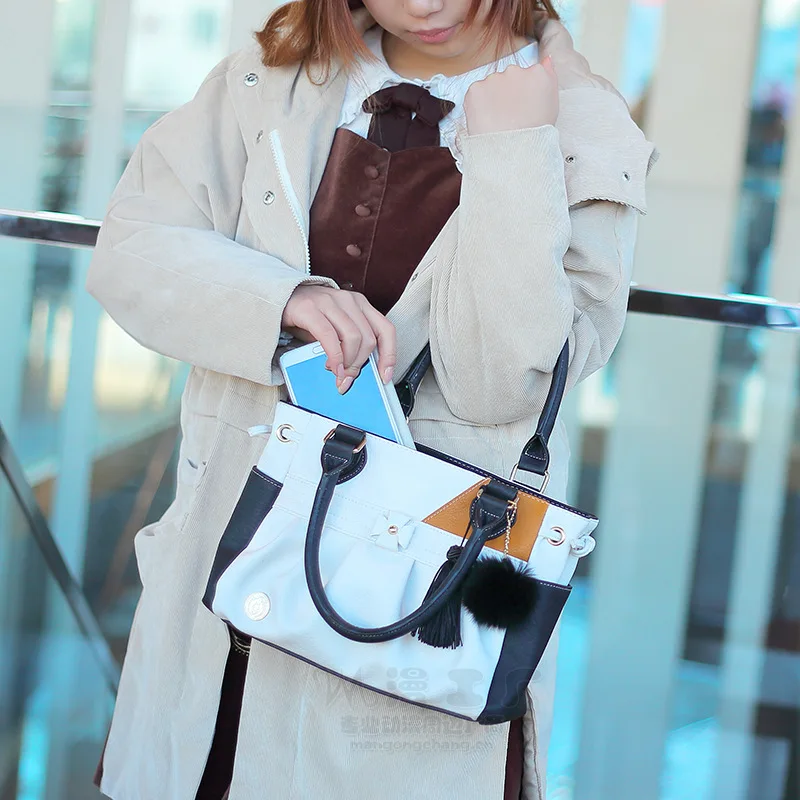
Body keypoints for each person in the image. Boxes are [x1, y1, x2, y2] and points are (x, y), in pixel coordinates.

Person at [86, 1, 657, 798]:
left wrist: (514, 147)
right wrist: (282, 298)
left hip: (410, 611)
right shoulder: (271, 80)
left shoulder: (585, 127)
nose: (424, 5)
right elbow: (134, 247)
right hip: (228, 583)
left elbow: (500, 383)